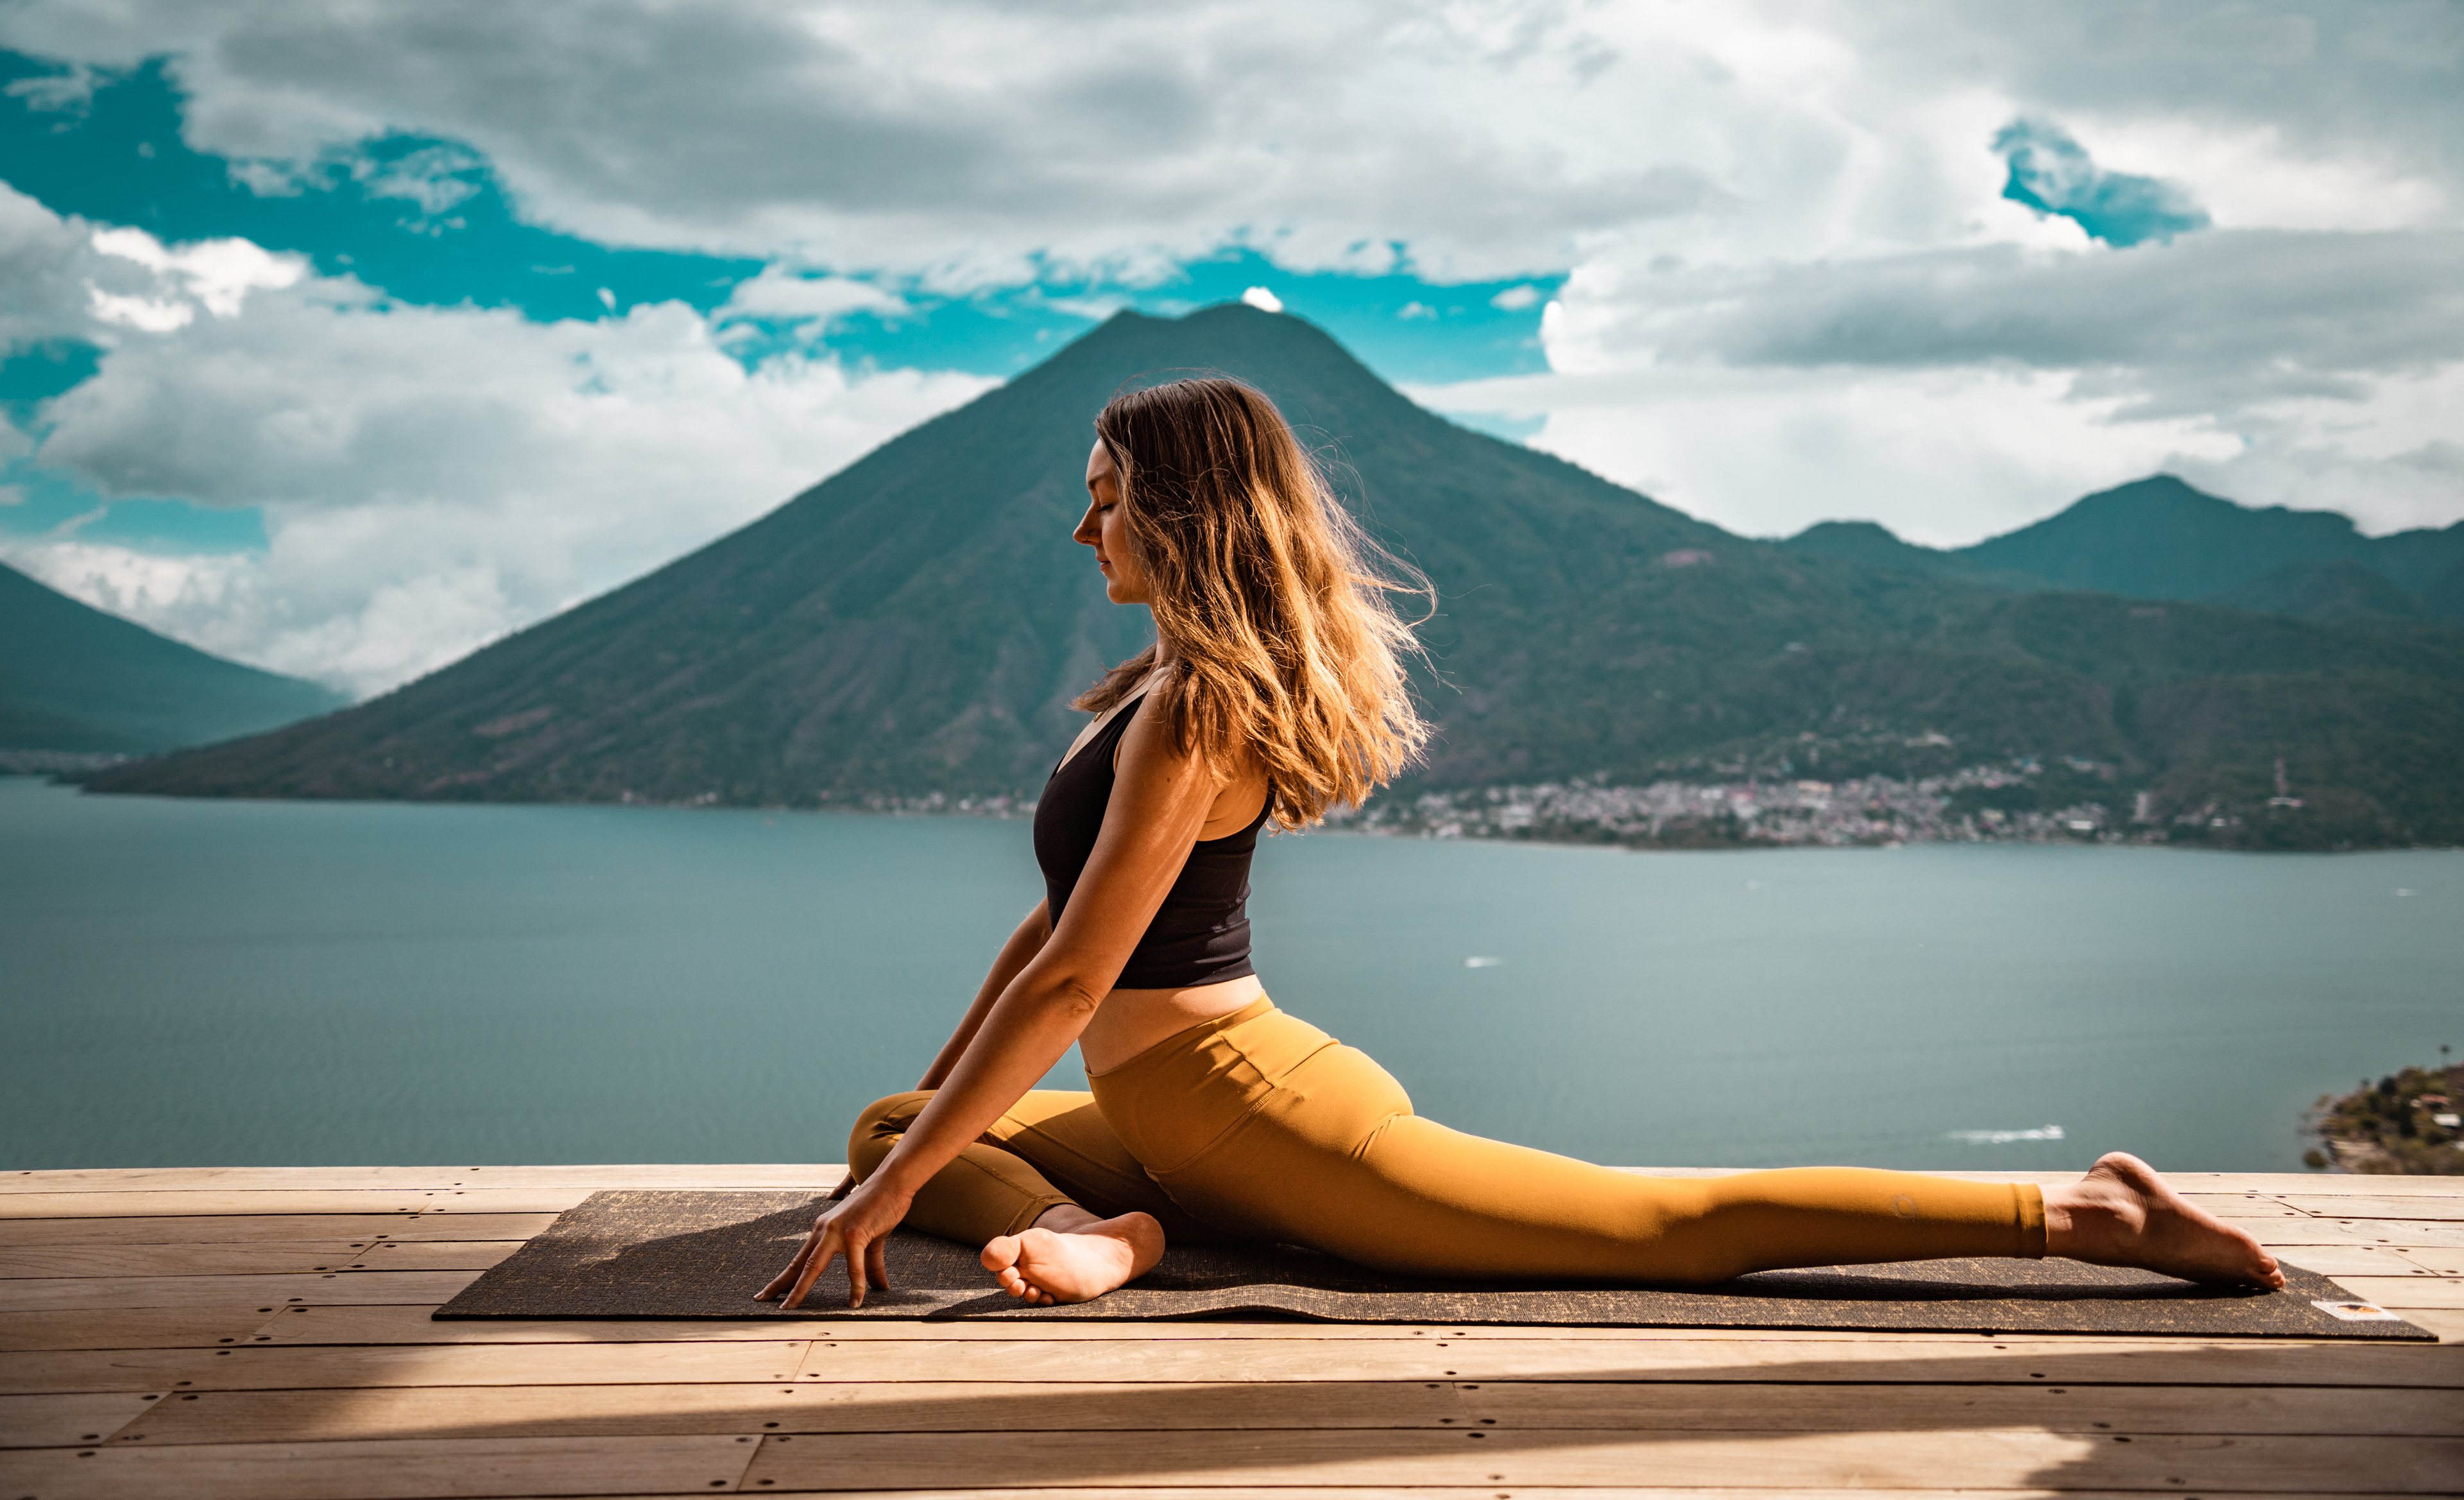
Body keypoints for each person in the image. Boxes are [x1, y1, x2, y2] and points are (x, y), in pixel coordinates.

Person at [760, 376, 2284, 1311]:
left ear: (1178, 512)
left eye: (1103, 504)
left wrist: (941, 1151)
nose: (1082, 532)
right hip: (1164, 1120)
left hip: (1259, 1111)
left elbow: (1084, 970)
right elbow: (1043, 932)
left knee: (1666, 1231)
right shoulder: (1144, 686)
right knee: (894, 1128)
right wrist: (933, 1134)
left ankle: (2087, 1212)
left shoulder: (1201, 705)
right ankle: (1127, 1235)